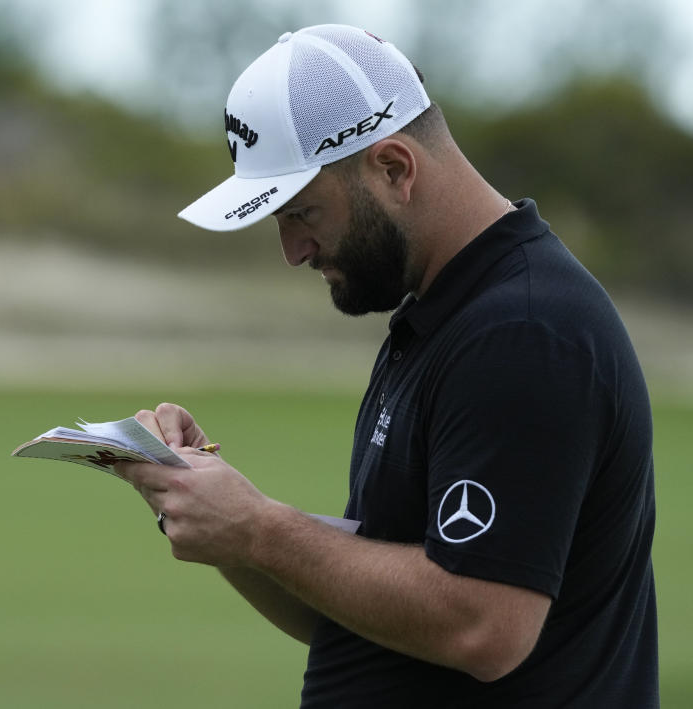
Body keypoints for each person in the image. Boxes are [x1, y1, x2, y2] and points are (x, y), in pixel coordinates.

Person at [116, 24, 658, 708]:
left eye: (302, 212)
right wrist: (218, 515)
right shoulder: (444, 316)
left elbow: (482, 625)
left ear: (395, 168)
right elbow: (357, 612)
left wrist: (258, 526)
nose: (291, 250)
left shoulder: (522, 332)